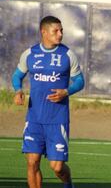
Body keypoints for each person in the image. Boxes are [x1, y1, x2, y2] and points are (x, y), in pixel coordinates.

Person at [12, 15, 85, 188]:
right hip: (34, 119)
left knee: (57, 167)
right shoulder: (29, 54)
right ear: (43, 32)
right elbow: (17, 75)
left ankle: (68, 184)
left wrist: (66, 91)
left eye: (61, 31)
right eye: (56, 31)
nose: (60, 34)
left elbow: (80, 81)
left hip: (57, 119)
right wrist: (18, 90)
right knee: (32, 162)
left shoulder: (68, 55)